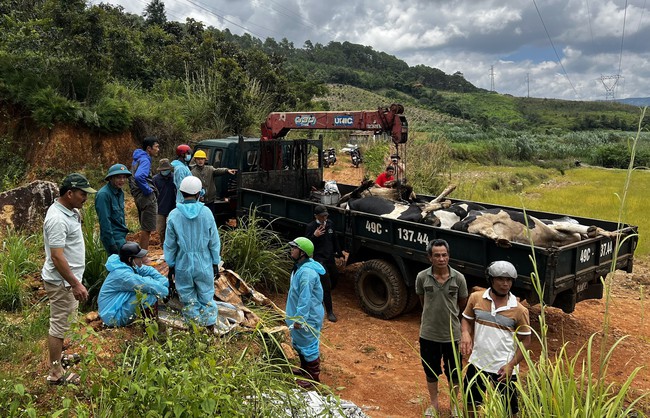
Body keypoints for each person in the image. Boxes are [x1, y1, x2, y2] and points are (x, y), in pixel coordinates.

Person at [42, 173, 96, 385]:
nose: (86, 198)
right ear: (70, 193)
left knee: (65, 324)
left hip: (68, 280)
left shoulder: (70, 211)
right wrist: (75, 283)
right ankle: (55, 373)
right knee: (58, 326)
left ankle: (59, 359)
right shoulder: (57, 219)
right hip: (61, 282)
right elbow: (57, 256)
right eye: (83, 194)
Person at [461, 261, 532, 417]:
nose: (505, 284)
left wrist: (511, 364)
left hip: (503, 369)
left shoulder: (519, 310)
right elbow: (466, 318)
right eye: (500, 279)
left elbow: (526, 341)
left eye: (509, 280)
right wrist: (465, 333)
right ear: (491, 280)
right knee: (470, 404)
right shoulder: (476, 298)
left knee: (510, 410)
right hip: (477, 363)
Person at [416, 239, 468, 418]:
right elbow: (423, 301)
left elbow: (462, 304)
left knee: (454, 372)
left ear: (449, 256)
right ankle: (434, 404)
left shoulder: (458, 278)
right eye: (437, 255)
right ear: (430, 257)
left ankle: (454, 405)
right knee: (430, 370)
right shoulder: (422, 277)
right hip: (428, 334)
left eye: (444, 255)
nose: (441, 259)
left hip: (452, 335)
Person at [164, 176, 221, 329]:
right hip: (204, 261)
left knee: (188, 298)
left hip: (183, 262)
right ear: (198, 194)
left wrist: (171, 265)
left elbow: (170, 245)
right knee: (206, 295)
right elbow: (214, 241)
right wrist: (215, 262)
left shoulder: (174, 215)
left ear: (181, 193)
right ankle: (209, 329)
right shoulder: (207, 213)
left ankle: (194, 331)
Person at [285, 237, 326, 388]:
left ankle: (314, 378)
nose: (292, 250)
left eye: (294, 248)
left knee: (309, 345)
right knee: (300, 343)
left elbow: (305, 299)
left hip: (308, 317)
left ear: (302, 253)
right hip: (299, 315)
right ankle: (304, 370)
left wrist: (300, 319)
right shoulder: (299, 268)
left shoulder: (307, 273)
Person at [98, 242, 169, 327]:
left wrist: (164, 282)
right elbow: (147, 285)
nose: (142, 259)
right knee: (149, 295)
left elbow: (148, 270)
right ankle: (150, 327)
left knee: (152, 286)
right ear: (130, 259)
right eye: (139, 257)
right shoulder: (123, 275)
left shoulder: (124, 264)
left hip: (115, 308)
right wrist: (167, 291)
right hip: (113, 317)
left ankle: (149, 323)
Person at [305, 205, 344, 322]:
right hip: (319, 259)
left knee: (335, 278)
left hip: (330, 257)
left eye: (326, 215)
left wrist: (340, 253)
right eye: (322, 216)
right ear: (316, 216)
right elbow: (306, 244)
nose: (325, 218)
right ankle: (329, 311)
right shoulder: (311, 227)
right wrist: (314, 236)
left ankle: (319, 296)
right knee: (326, 284)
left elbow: (334, 239)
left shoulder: (330, 224)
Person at [129, 137, 160, 250]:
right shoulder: (145, 160)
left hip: (138, 196)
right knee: (147, 228)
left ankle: (142, 256)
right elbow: (139, 177)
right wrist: (148, 190)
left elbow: (132, 177)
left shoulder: (137, 159)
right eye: (156, 147)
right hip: (146, 197)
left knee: (144, 227)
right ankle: (143, 257)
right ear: (149, 148)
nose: (158, 149)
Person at [95, 163, 131, 255]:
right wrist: (111, 244)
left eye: (124, 177)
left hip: (121, 235)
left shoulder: (120, 192)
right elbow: (104, 221)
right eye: (118, 177)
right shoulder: (103, 195)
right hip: (113, 238)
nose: (122, 180)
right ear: (111, 178)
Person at [190, 149, 237, 220]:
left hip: (210, 201)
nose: (200, 161)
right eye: (198, 159)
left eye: (202, 159)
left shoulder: (210, 169)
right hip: (199, 202)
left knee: (211, 218)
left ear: (205, 160)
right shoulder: (192, 172)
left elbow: (218, 171)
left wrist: (227, 170)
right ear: (195, 160)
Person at [153, 158, 176, 247]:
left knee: (172, 228)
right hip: (160, 207)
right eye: (163, 170)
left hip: (173, 207)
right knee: (161, 229)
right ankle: (163, 244)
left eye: (166, 170)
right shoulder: (155, 179)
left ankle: (172, 245)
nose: (165, 171)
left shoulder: (174, 177)